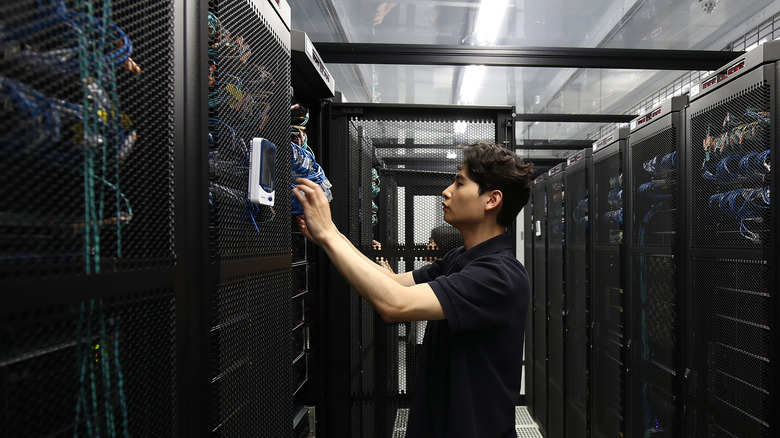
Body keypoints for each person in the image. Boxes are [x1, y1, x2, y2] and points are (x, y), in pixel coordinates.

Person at [293, 142, 533, 438]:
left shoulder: (499, 276)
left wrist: (329, 234)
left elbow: (396, 304)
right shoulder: (459, 258)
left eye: (459, 183)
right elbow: (394, 282)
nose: (447, 192)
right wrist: (333, 237)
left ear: (491, 200)